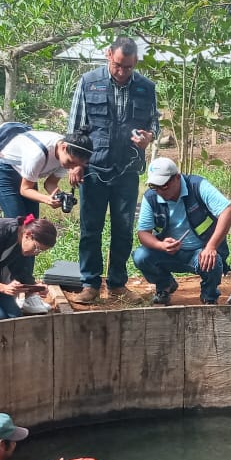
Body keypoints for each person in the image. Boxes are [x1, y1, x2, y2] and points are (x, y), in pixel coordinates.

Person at [67, 36, 159, 304]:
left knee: (122, 228)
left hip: (128, 169)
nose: (122, 72)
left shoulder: (146, 88)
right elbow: (75, 129)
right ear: (109, 55)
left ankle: (118, 284)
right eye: (118, 65)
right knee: (90, 228)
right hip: (93, 168)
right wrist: (75, 164)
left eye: (128, 67)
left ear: (135, 63)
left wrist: (148, 138)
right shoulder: (88, 82)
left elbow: (155, 124)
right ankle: (90, 283)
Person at [0, 126, 93, 315]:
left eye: (76, 166)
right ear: (63, 147)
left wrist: (58, 196)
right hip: (4, 173)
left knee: (33, 231)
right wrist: (48, 200)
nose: (71, 167)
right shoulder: (38, 153)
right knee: (21, 230)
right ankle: (12, 286)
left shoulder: (66, 156)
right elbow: (25, 190)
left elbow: (50, 184)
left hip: (25, 179)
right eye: (70, 163)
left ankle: (27, 291)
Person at [132, 157, 231, 305]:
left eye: (164, 186)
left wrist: (211, 247)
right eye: (155, 187)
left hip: (200, 253)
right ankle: (165, 285)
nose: (160, 191)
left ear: (177, 178)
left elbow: (228, 211)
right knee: (140, 256)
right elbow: (143, 233)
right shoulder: (150, 197)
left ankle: (209, 296)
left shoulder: (197, 186)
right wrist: (161, 245)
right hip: (170, 254)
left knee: (213, 261)